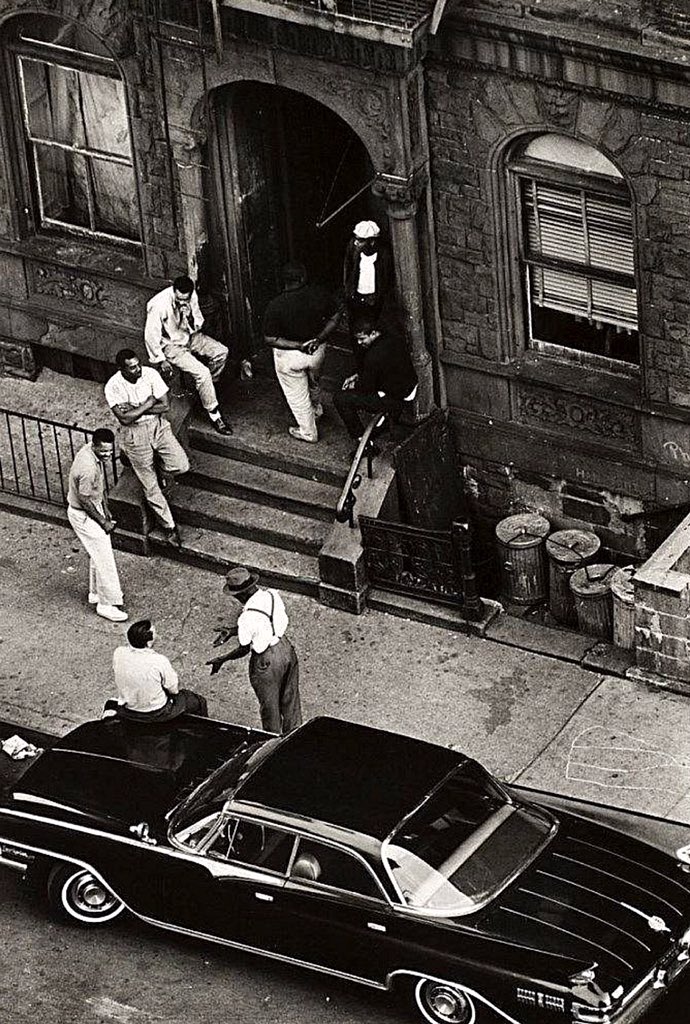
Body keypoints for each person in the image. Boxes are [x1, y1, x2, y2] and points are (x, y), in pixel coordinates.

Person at [105, 349, 189, 548]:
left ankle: (157, 467)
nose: (137, 369)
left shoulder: (150, 374)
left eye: (138, 365)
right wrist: (150, 402)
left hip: (157, 426)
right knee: (150, 486)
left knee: (181, 465)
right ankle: (169, 526)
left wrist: (137, 409)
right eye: (132, 368)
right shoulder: (113, 386)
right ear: (121, 369)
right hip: (134, 433)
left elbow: (165, 406)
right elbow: (124, 418)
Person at [206, 566, 301, 736]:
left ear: (241, 594)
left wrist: (222, 659)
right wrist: (233, 630)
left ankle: (271, 742)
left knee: (270, 708)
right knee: (291, 699)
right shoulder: (272, 595)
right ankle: (294, 736)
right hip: (286, 649)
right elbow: (264, 624)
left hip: (266, 661)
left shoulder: (246, 617)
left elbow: (243, 649)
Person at [263, 262, 341, 443]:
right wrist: (319, 338)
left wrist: (298, 345)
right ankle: (316, 409)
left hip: (290, 356)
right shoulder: (319, 294)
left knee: (297, 396)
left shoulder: (275, 305)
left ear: (284, 281)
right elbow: (335, 316)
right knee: (314, 381)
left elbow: (270, 339)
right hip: (316, 350)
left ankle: (308, 432)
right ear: (303, 278)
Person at [144, 274, 231, 435]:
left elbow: (198, 323)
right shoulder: (159, 304)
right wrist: (161, 359)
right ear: (174, 291)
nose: (182, 302)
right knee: (202, 373)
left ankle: (206, 389)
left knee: (221, 352)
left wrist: (189, 315)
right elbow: (150, 335)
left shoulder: (191, 297)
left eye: (186, 299)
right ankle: (214, 413)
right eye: (179, 299)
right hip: (171, 345)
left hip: (190, 336)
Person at [66, 428, 128, 623]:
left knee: (97, 553)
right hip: (84, 514)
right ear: (94, 446)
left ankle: (95, 592)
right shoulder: (88, 468)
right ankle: (106, 603)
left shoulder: (89, 452)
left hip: (90, 510)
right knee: (104, 557)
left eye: (110, 451)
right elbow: (84, 499)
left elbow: (95, 490)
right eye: (104, 452)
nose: (108, 455)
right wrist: (103, 521)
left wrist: (105, 508)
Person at [333, 319, 418, 450]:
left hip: (394, 398)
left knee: (341, 399)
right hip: (408, 387)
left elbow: (367, 387)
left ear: (373, 334)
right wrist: (357, 374)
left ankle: (363, 441)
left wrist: (354, 385)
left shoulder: (373, 356)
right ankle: (385, 420)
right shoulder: (392, 338)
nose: (359, 343)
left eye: (362, 339)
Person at [110, 619, 208, 721]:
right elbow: (173, 689)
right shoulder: (159, 660)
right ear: (148, 643)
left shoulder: (119, 653)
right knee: (198, 701)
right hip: (157, 712)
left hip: (129, 709)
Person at [342, 220, 392, 339]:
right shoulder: (353, 250)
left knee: (372, 329)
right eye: (356, 239)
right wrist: (348, 291)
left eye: (361, 240)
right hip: (356, 296)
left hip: (374, 298)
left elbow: (386, 278)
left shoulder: (383, 255)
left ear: (372, 241)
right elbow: (348, 269)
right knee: (356, 328)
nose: (356, 243)